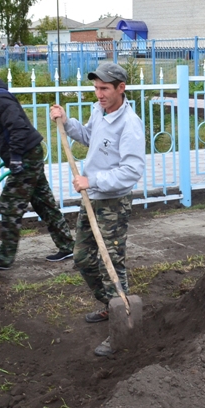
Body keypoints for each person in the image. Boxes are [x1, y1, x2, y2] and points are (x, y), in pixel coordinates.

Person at [49, 62, 145, 357]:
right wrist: (66, 121)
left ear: (121, 88)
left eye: (104, 88)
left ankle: (125, 326)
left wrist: (94, 180)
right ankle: (110, 305)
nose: (99, 94)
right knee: (82, 257)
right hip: (92, 199)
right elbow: (90, 137)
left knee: (112, 265)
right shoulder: (99, 111)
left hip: (113, 203)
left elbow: (132, 170)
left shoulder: (130, 124)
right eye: (96, 88)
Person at [0, 57, 74, 270]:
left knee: (9, 203)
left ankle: (4, 258)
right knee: (43, 202)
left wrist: (16, 156)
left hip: (25, 154)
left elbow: (18, 126)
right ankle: (69, 245)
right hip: (26, 153)